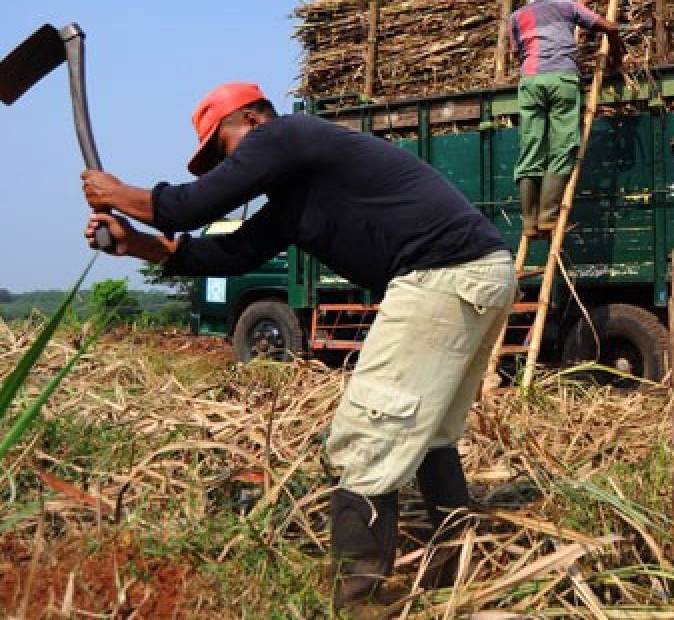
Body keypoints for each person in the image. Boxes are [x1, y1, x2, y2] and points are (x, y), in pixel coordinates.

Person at [80, 81, 517, 609]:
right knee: (428, 435)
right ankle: (457, 567)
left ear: (252, 119)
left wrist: (118, 194)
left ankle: (359, 601)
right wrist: (141, 246)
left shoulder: (287, 134)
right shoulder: (297, 192)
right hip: (477, 271)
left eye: (224, 148)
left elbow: (192, 206)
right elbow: (234, 251)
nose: (229, 167)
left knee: (365, 438)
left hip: (441, 274)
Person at [509, 0, 621, 235]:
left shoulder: (515, 17)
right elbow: (610, 27)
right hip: (562, 79)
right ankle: (548, 216)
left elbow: (518, 53)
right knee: (562, 146)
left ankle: (528, 222)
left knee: (531, 147)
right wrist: (618, 57)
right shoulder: (566, 6)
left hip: (530, 81)